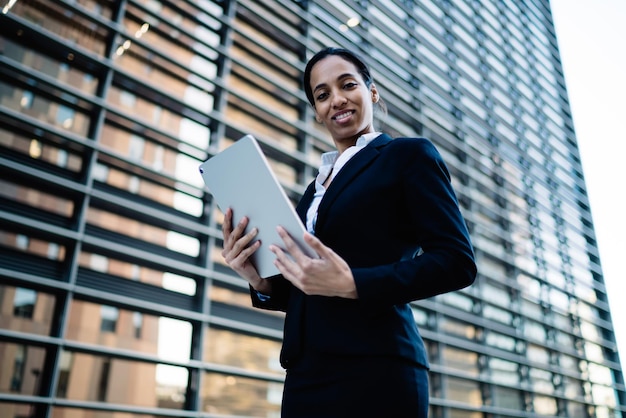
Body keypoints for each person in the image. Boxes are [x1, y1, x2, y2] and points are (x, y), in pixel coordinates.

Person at [221, 47, 477, 418]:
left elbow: (457, 262)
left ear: (371, 92)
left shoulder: (408, 156)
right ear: (317, 112)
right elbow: (310, 287)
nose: (336, 99)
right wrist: (261, 282)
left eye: (347, 85)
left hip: (376, 368)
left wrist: (353, 283)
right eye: (322, 95)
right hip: (305, 374)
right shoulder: (315, 190)